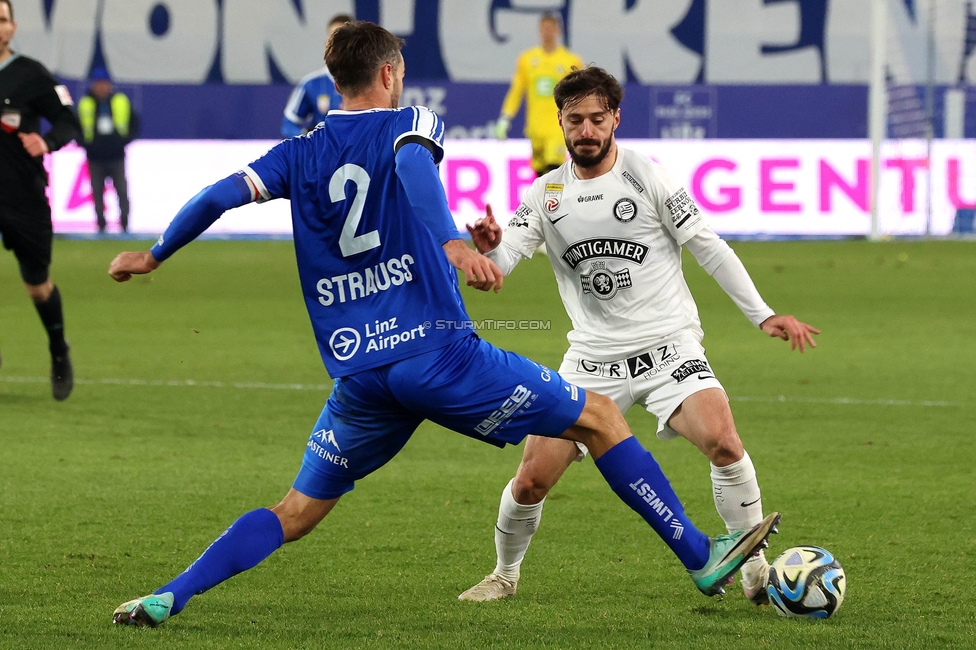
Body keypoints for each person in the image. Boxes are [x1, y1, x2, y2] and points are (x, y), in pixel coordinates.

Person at [108, 22, 779, 629]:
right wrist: (456, 244)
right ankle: (699, 555)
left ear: (332, 78)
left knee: (295, 512)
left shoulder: (298, 152)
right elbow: (409, 167)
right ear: (390, 73)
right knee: (600, 418)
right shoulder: (408, 119)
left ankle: (172, 593)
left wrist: (154, 253)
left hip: (360, 374)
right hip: (438, 356)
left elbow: (220, 193)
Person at [461, 66, 819, 606]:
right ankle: (504, 574)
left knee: (724, 442)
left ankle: (754, 566)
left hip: (668, 347)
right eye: (575, 119)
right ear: (560, 121)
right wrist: (488, 249)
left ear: (615, 120)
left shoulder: (648, 177)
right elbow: (502, 263)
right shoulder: (544, 195)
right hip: (591, 360)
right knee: (533, 479)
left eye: (597, 119)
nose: (586, 130)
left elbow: (708, 245)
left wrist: (762, 314)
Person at [0, 0, 78, 401]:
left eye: (1, 19)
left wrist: (46, 141)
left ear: (12, 27)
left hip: (22, 194)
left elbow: (68, 120)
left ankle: (58, 349)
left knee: (37, 284)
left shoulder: (31, 75)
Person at [495, 13, 583, 177]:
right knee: (541, 174)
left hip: (558, 126)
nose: (547, 33)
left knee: (554, 169)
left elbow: (579, 94)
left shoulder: (570, 60)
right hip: (535, 127)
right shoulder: (527, 59)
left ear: (558, 31)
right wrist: (505, 117)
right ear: (539, 31)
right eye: (544, 29)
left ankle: (555, 202)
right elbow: (517, 90)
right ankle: (547, 203)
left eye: (551, 29)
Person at [77, 67, 138, 234]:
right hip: (95, 157)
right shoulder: (86, 103)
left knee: (121, 191)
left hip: (116, 156)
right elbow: (77, 127)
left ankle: (124, 225)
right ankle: (101, 225)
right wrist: (87, 145)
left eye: (104, 84)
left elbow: (134, 122)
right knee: (97, 193)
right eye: (98, 84)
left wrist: (122, 141)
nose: (102, 87)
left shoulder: (120, 101)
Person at [280, 13, 352, 137]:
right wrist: (309, 139)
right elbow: (288, 125)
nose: (339, 45)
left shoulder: (369, 81)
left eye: (344, 40)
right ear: (326, 44)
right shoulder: (311, 83)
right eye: (333, 39)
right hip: (322, 154)